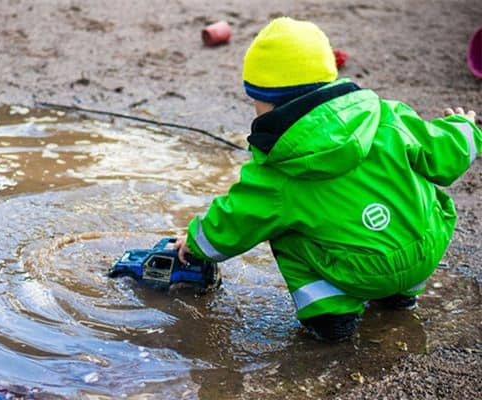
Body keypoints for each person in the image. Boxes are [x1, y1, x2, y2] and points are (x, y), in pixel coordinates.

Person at [174, 17, 481, 341]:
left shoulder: (277, 170)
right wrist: (464, 127)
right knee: (413, 189)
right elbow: (445, 152)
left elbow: (235, 220)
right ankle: (399, 297)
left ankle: (330, 315)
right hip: (424, 251)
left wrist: (194, 244)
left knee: (280, 226)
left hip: (357, 272)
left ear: (267, 102)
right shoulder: (387, 115)